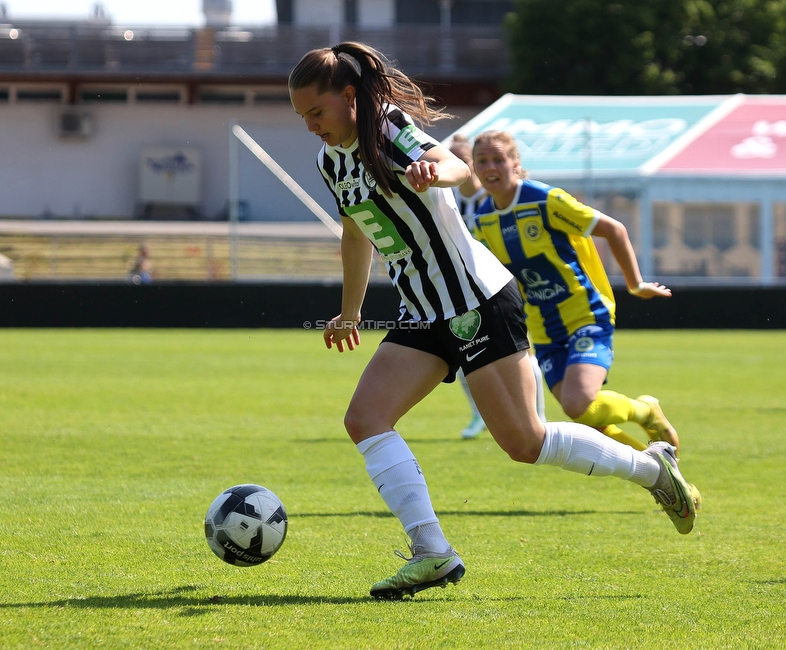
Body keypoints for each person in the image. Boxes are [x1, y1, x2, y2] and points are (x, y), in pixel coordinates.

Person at [288, 41, 700, 601]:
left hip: (478, 300)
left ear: (350, 97)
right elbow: (357, 230)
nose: (311, 126)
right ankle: (433, 553)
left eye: (317, 112)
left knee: (525, 444)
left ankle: (655, 471)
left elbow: (455, 165)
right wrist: (352, 309)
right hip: (424, 311)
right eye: (302, 117)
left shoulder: (389, 128)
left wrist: (435, 168)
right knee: (365, 419)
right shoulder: (329, 161)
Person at [469, 130, 680, 454]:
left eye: (499, 158)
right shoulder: (483, 219)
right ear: (474, 167)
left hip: (584, 313)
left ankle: (645, 411)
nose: (491, 166)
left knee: (577, 402)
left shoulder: (544, 200)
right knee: (586, 415)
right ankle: (657, 469)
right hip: (543, 329)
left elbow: (614, 229)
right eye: (482, 160)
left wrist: (635, 284)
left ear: (515, 162)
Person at [448, 134, 546, 439]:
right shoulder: (447, 197)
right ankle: (479, 416)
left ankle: (538, 418)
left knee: (522, 351)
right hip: (464, 289)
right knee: (464, 352)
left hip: (503, 286)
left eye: (462, 160)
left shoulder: (493, 196)